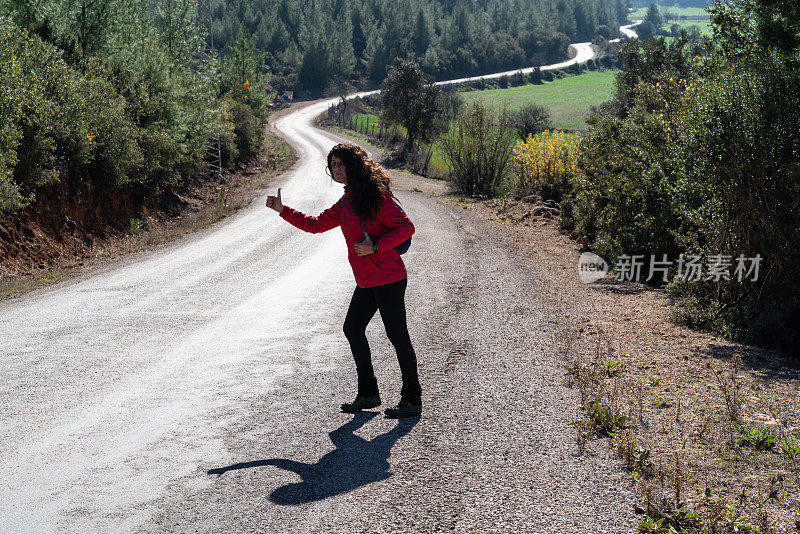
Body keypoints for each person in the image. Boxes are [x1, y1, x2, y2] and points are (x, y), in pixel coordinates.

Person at [265, 143, 422, 418]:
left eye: (340, 163)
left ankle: (411, 399)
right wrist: (283, 210)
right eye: (332, 164)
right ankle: (369, 394)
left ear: (354, 165)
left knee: (397, 336)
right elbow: (315, 224)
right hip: (366, 281)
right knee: (352, 328)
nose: (335, 169)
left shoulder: (378, 197)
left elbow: (406, 227)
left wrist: (375, 247)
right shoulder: (346, 202)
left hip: (388, 278)